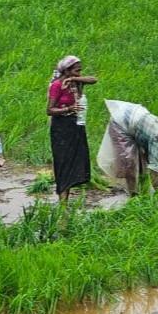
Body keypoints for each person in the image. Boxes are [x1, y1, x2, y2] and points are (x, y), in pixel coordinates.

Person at [98, 100, 158, 195]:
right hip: (120, 123)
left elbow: (149, 158)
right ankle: (133, 193)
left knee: (139, 160)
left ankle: (135, 188)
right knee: (129, 163)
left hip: (132, 114)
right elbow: (153, 169)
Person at [47, 55, 98, 203]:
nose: (79, 73)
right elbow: (49, 110)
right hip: (61, 129)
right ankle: (63, 200)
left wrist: (75, 79)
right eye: (76, 71)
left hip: (75, 127)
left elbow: (94, 79)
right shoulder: (57, 85)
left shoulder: (76, 83)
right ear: (67, 70)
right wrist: (69, 108)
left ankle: (66, 198)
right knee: (63, 163)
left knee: (76, 162)